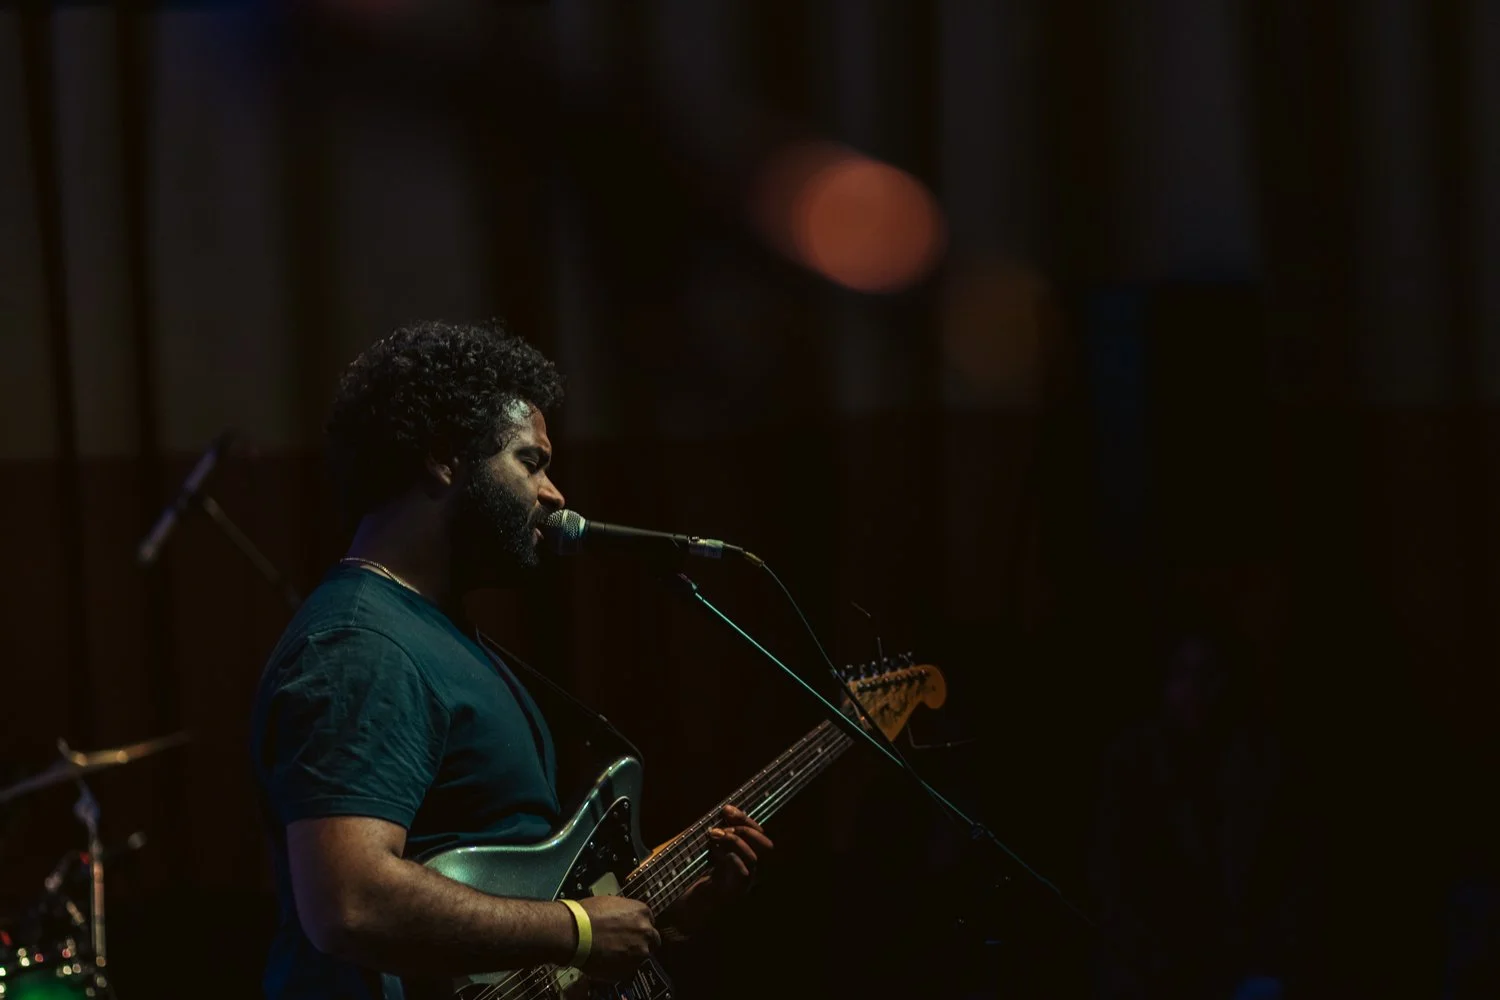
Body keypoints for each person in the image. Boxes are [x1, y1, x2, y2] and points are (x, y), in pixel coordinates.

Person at [249, 321, 771, 1000]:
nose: (554, 493)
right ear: (443, 458)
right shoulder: (361, 645)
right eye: (530, 461)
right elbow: (351, 900)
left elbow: (504, 926)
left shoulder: (434, 632)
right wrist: (576, 931)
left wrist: (660, 914)